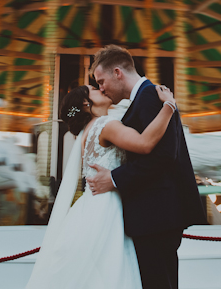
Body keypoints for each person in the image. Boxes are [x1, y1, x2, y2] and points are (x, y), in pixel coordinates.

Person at [25, 81, 179, 289]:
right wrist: (169, 107)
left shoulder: (86, 132)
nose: (101, 89)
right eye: (94, 90)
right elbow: (144, 144)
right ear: (85, 103)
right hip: (108, 208)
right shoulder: (105, 125)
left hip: (89, 207)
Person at [87, 45, 206, 289]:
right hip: (153, 215)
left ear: (117, 72)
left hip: (156, 215)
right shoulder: (147, 98)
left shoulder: (151, 96)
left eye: (101, 81)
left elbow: (163, 156)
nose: (101, 88)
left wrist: (114, 179)